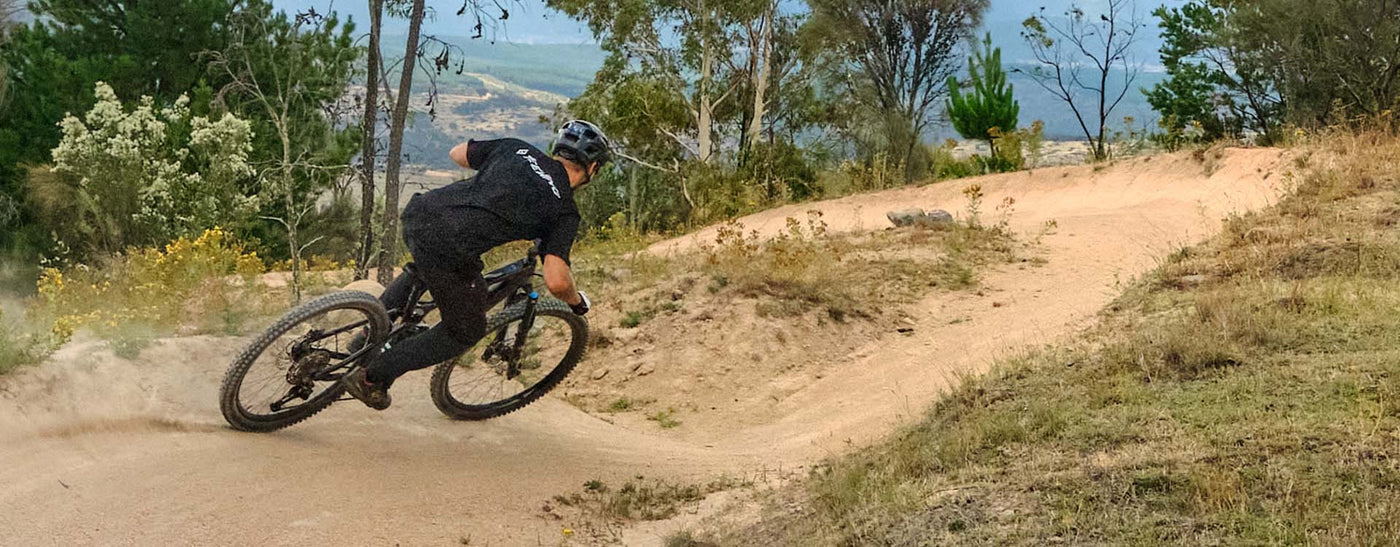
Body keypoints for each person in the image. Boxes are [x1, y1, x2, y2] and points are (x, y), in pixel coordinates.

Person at [342, 120, 612, 410]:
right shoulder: (564, 210)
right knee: (465, 331)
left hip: (420, 212)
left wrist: (496, 181)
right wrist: (576, 303)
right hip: (451, 246)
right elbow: (557, 281)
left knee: (428, 267)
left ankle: (365, 337)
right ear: (592, 167)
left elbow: (457, 153)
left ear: (557, 149)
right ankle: (372, 379)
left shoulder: (518, 149)